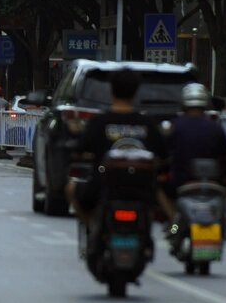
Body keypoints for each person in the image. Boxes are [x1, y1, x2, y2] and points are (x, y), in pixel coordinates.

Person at [69, 66, 172, 230]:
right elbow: (164, 156)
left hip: (103, 189)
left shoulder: (99, 122)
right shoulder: (148, 124)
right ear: (136, 91)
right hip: (142, 190)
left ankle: (91, 229)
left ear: (111, 90)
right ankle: (172, 229)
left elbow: (79, 151)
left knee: (72, 187)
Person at [167, 82, 226, 197]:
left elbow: (164, 154)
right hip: (212, 184)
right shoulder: (215, 128)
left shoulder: (174, 126)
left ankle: (171, 214)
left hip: (181, 183)